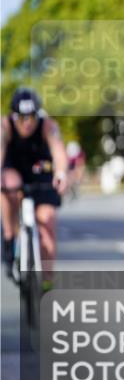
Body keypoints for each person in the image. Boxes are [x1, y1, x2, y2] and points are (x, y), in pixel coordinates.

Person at [0, 88, 68, 284]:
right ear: (14, 116)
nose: (28, 122)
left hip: (41, 176)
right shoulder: (5, 127)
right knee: (8, 183)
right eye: (22, 117)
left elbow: (59, 152)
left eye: (31, 116)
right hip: (14, 172)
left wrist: (61, 173)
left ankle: (46, 282)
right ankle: (9, 236)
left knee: (47, 220)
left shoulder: (48, 126)